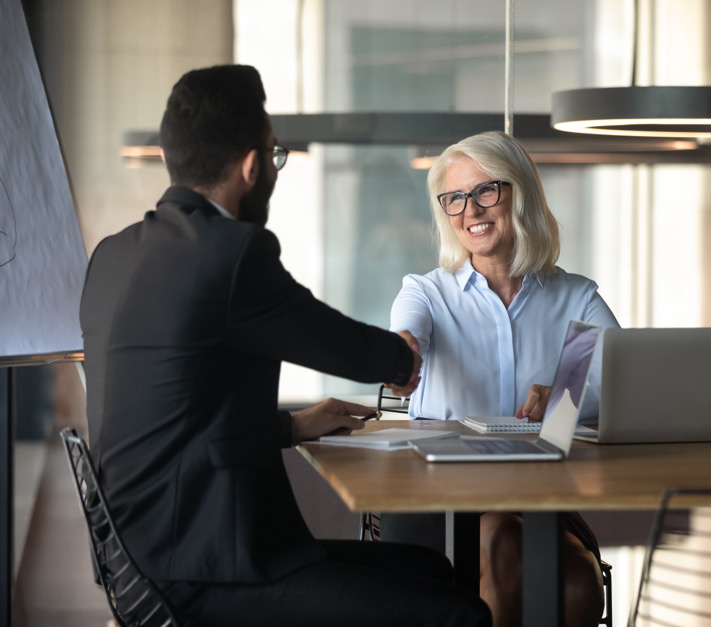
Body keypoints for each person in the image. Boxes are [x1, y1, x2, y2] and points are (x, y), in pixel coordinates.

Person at [79, 64, 490, 627]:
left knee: (432, 570)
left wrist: (291, 427)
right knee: (460, 613)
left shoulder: (112, 256)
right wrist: (402, 359)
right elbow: (345, 346)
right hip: (207, 570)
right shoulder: (229, 252)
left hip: (139, 562)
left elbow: (162, 419)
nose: (273, 170)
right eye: (275, 158)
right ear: (251, 166)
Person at [386, 131, 621, 627]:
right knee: (503, 540)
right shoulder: (428, 294)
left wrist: (563, 398)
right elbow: (407, 337)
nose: (471, 209)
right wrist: (402, 359)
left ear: (521, 193)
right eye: (454, 198)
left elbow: (621, 382)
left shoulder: (574, 298)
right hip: (437, 498)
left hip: (539, 498)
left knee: (580, 587)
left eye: (486, 190)